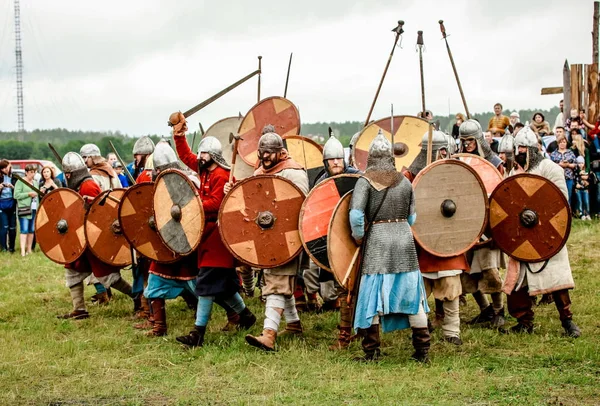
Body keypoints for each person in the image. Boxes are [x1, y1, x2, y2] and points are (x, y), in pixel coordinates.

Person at [171, 113, 256, 347]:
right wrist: (179, 135)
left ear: (214, 156)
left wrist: (193, 205)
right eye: (200, 153)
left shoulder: (220, 174)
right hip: (207, 237)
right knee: (225, 287)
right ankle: (247, 316)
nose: (200, 157)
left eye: (204, 153)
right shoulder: (205, 171)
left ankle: (198, 333)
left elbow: (218, 204)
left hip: (219, 238)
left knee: (206, 287)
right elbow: (187, 157)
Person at [348, 130, 430, 362]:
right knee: (412, 297)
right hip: (404, 238)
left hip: (378, 242)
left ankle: (371, 352)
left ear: (371, 157)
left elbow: (356, 216)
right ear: (391, 156)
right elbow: (412, 218)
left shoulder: (366, 182)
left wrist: (359, 237)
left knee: (373, 297)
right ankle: (422, 351)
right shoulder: (404, 181)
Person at [234, 126, 309, 352]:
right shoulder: (259, 173)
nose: (265, 157)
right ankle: (294, 324)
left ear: (281, 152)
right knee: (277, 281)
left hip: (286, 239)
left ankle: (269, 334)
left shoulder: (294, 173)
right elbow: (251, 204)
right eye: (261, 152)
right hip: (266, 238)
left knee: (277, 284)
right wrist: (234, 191)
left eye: (269, 153)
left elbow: (299, 209)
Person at [502, 126, 581, 337]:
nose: (518, 152)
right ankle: (524, 321)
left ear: (531, 149)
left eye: (521, 148)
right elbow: (507, 203)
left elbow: (560, 203)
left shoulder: (550, 169)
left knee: (556, 279)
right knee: (518, 279)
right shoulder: (514, 172)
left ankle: (568, 322)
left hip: (546, 235)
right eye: (516, 148)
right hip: (522, 234)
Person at [407, 131, 468, 346]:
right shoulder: (410, 177)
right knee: (419, 292)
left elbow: (466, 201)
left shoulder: (455, 173)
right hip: (422, 244)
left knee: (451, 289)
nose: (445, 154)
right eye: (441, 151)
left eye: (445, 151)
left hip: (450, 240)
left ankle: (452, 331)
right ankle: (421, 328)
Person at [58, 152, 136, 319]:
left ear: (70, 174)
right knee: (72, 270)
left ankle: (136, 296)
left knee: (106, 275)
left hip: (93, 240)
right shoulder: (77, 187)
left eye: (66, 174)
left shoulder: (88, 186)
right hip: (80, 240)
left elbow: (102, 212)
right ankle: (79, 309)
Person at [305, 135, 362, 350]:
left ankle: (358, 331)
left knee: (357, 288)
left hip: (356, 239)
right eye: (332, 159)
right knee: (340, 289)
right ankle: (345, 335)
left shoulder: (358, 179)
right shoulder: (321, 184)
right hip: (335, 242)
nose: (336, 162)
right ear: (325, 162)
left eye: (339, 158)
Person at [458, 119, 506, 329]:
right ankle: (485, 309)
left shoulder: (494, 163)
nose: (466, 144)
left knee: (489, 269)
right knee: (468, 270)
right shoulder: (459, 160)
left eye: (470, 141)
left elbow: (501, 193)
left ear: (478, 140)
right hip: (465, 222)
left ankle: (499, 311)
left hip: (488, 224)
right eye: (463, 141)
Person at [14, 164, 38, 257]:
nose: (33, 174)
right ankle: (23, 251)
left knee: (31, 230)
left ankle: (29, 249)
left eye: (34, 172)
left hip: (34, 208)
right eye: (31, 172)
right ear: (26, 172)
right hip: (24, 208)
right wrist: (28, 194)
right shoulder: (20, 182)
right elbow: (16, 195)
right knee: (24, 230)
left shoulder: (35, 182)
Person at [550, 134, 577, 207]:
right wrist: (559, 165)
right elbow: (550, 166)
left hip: (568, 177)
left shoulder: (570, 153)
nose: (562, 143)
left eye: (564, 142)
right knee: (558, 195)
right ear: (558, 143)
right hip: (557, 178)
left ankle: (568, 212)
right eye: (560, 142)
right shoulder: (553, 154)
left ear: (566, 143)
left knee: (568, 195)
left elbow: (575, 165)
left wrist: (568, 165)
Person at [0, 160, 17, 253]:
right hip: (1, 204)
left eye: (6, 167)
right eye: (3, 168)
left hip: (12, 204)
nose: (5, 169)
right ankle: (3, 248)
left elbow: (18, 190)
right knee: (4, 227)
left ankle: (12, 248)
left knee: (12, 228)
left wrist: (13, 187)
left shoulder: (14, 177)